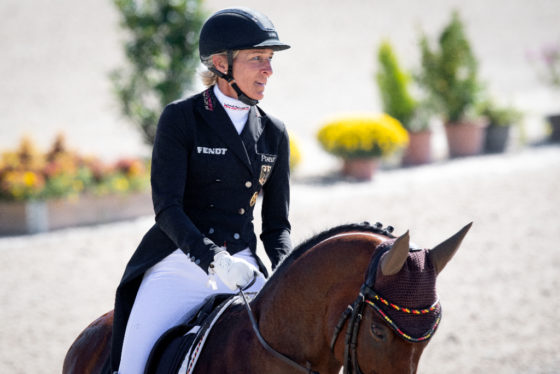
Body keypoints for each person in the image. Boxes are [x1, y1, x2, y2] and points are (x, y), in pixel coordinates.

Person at [110, 7, 293, 373]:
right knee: (130, 368)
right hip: (179, 263)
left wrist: (288, 269)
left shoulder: (273, 132)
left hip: (245, 268)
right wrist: (214, 259)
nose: (268, 70)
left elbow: (277, 225)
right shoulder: (181, 119)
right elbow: (167, 208)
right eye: (257, 58)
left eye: (269, 59)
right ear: (220, 63)